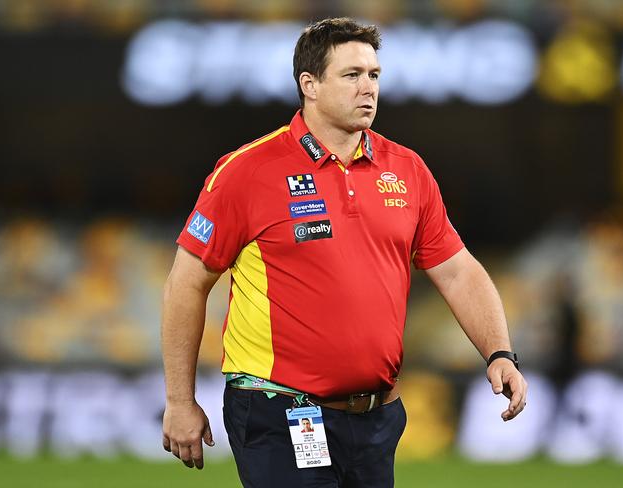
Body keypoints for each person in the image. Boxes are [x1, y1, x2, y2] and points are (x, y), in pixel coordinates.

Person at [161, 17, 528, 488]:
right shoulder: (247, 171)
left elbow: (457, 270)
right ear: (309, 85)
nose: (367, 88)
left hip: (376, 418)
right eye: (351, 75)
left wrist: (499, 352)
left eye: (374, 75)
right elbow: (186, 284)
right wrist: (179, 400)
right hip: (279, 410)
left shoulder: (407, 170)